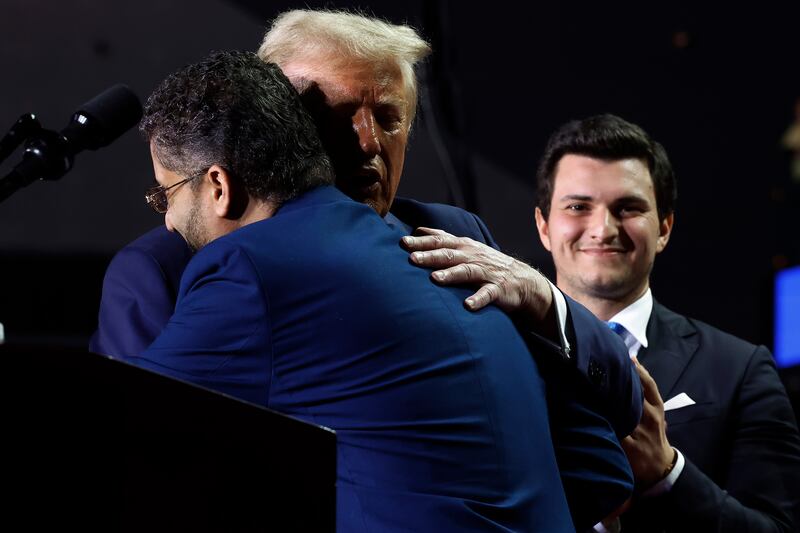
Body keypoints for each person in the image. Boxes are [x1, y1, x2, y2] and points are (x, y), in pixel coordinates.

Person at [91, 10, 640, 528]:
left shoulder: (455, 238)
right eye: (334, 114)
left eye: (388, 117)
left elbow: (600, 450)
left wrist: (547, 301)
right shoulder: (165, 266)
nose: (369, 142)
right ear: (273, 117)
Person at [407, 113, 800, 531]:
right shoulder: (481, 353)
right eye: (578, 206)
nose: (603, 228)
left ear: (664, 227)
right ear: (543, 226)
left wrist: (668, 475)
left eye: (627, 208)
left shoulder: (740, 370)